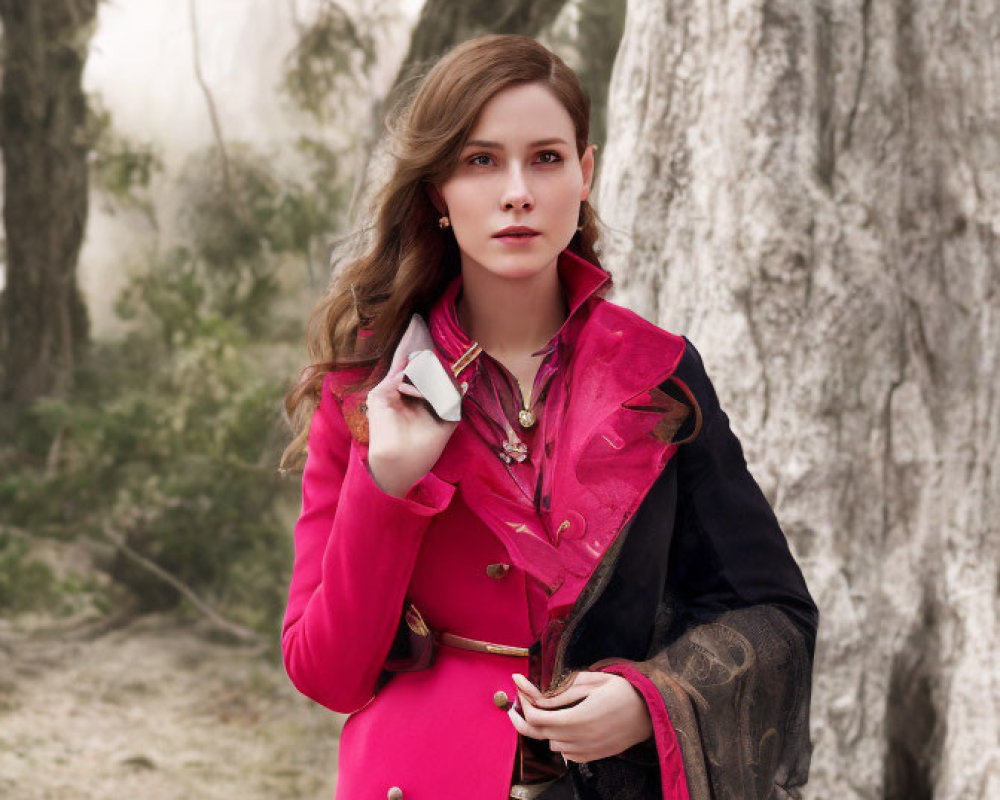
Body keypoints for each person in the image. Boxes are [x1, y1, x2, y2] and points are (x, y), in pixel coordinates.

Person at [279, 33, 818, 800]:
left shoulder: (661, 376)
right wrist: (389, 483)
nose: (517, 192)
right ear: (438, 192)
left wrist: (651, 700)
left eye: (546, 158)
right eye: (480, 161)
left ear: (585, 173)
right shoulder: (369, 386)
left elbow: (773, 611)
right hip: (417, 779)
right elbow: (326, 674)